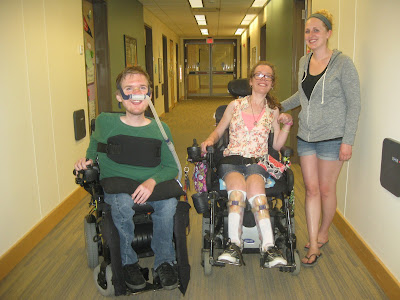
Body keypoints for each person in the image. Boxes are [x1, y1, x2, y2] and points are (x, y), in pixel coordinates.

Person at [74, 66, 179, 290]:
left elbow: (172, 168)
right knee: (121, 204)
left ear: (149, 95)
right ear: (120, 96)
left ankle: (164, 262)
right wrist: (87, 161)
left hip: (150, 186)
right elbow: (94, 147)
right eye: (129, 89)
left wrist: (151, 182)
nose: (136, 94)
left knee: (169, 204)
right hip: (119, 186)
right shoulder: (105, 122)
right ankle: (128, 261)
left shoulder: (161, 129)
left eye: (142, 88)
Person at [280, 9, 361, 267]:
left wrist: (348, 139)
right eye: (307, 30)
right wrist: (275, 106)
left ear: (328, 33)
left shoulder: (343, 63)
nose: (311, 35)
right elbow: (302, 96)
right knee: (311, 189)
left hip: (333, 137)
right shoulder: (304, 62)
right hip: (306, 135)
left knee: (326, 190)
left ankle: (324, 230)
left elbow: (354, 103)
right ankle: (314, 242)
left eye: (316, 30)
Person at [201, 61, 293, 267]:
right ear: (251, 81)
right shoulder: (235, 106)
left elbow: (277, 144)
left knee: (256, 191)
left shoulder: (273, 110)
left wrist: (286, 125)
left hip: (258, 162)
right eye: (259, 75)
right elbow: (219, 131)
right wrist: (209, 140)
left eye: (267, 76)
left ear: (272, 83)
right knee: (237, 191)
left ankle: (269, 247)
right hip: (232, 160)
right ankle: (234, 245)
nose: (263, 79)